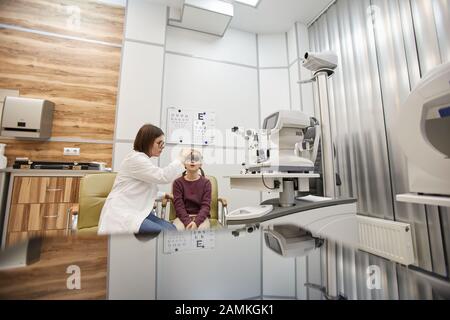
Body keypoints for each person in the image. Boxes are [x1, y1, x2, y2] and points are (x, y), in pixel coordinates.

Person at [98, 124, 190, 235]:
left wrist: (165, 195)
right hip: (122, 214)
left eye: (163, 143)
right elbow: (163, 176)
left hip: (136, 211)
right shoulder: (135, 159)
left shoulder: (141, 159)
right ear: (148, 142)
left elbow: (141, 189)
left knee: (171, 230)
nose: (162, 147)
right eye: (159, 143)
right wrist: (181, 158)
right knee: (165, 234)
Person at [172, 150, 212, 231]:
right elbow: (179, 206)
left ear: (201, 164)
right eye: (189, 159)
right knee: (178, 230)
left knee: (201, 232)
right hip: (182, 218)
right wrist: (187, 222)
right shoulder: (177, 183)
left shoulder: (206, 183)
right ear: (184, 163)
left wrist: (196, 223)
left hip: (201, 218)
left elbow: (206, 206)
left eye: (196, 159)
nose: (192, 161)